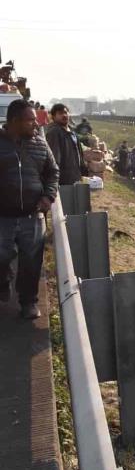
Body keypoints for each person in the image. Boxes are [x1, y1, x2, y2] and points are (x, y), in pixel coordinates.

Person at [0, 99, 59, 318]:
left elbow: (53, 172)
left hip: (32, 215)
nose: (36, 124)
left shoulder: (40, 144)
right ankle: (3, 279)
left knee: (31, 262)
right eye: (30, 120)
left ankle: (28, 302)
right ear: (15, 121)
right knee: (1, 256)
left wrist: (48, 196)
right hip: (3, 217)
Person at [46, 103, 87, 185]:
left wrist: (83, 170)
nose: (64, 115)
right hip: (63, 180)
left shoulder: (72, 131)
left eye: (66, 112)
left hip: (75, 176)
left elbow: (78, 154)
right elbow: (54, 158)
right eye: (60, 113)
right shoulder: (54, 132)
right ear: (53, 117)